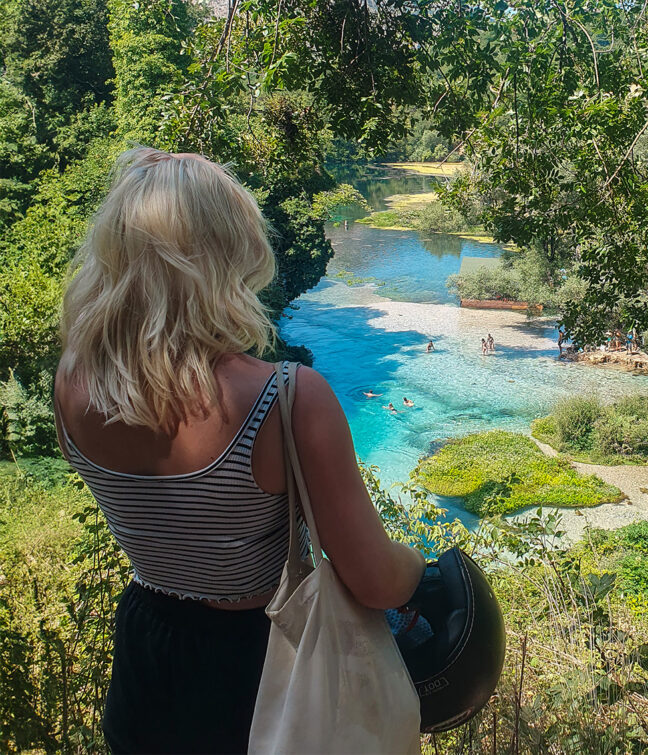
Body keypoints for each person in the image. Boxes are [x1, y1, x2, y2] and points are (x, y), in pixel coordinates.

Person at [54, 148, 425, 754]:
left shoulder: (71, 383)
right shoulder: (287, 399)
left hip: (146, 652)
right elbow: (376, 581)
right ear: (229, 258)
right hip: (255, 667)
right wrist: (423, 569)